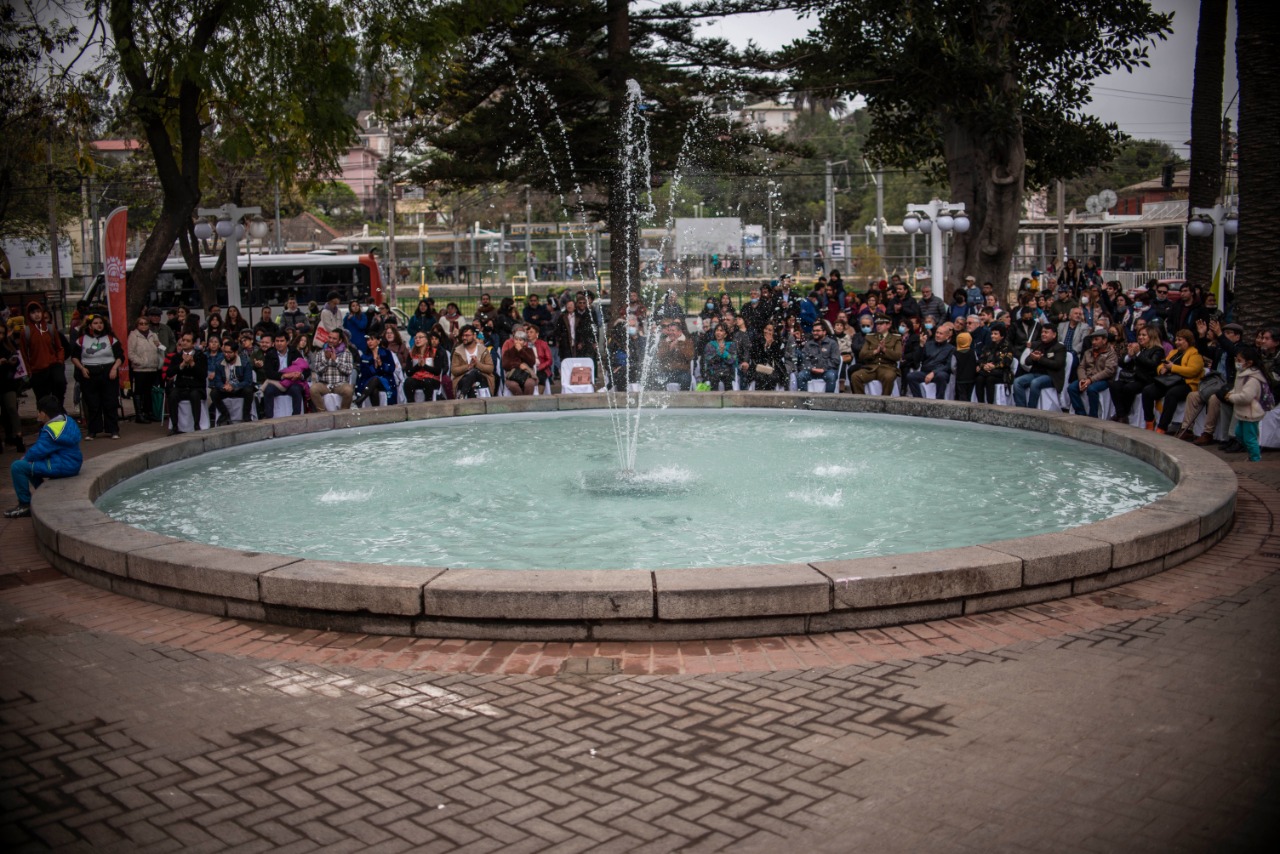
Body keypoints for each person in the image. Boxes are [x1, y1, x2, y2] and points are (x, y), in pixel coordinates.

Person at [5, 395, 82, 518]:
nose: (38, 415)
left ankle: (25, 504)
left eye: (39, 412)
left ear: (44, 414)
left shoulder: (51, 430)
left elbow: (38, 450)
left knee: (18, 467)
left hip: (63, 465)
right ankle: (43, 494)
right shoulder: (67, 420)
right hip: (72, 463)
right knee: (30, 466)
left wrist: (24, 458)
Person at [1180, 320, 1243, 445]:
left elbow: (1232, 350)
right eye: (1224, 333)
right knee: (1193, 396)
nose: (1225, 335)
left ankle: (1207, 433)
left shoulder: (1241, 349)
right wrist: (1202, 336)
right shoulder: (1220, 348)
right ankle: (1187, 429)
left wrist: (1219, 334)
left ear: (1238, 336)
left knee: (1215, 398)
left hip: (1230, 385)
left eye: (1229, 333)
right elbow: (1204, 351)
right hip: (1215, 383)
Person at [71, 315, 124, 440]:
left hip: (108, 372)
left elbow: (120, 356)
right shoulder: (81, 340)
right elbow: (74, 357)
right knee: (92, 403)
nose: (99, 325)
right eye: (95, 323)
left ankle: (113, 430)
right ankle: (93, 431)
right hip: (89, 373)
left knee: (110, 402)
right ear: (90, 325)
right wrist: (82, 368)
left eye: (101, 323)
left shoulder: (111, 339)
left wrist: (114, 368)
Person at [1143, 328, 1203, 434]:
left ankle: (1162, 427)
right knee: (1147, 391)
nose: (1177, 342)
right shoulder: (1173, 352)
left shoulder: (1195, 354)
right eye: (1176, 340)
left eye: (1180, 340)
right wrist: (1161, 369)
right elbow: (1162, 364)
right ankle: (1149, 421)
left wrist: (1173, 367)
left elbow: (1193, 371)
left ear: (1188, 341)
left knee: (1172, 394)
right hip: (1169, 381)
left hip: (1186, 383)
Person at [18, 301, 66, 408]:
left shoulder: (50, 328)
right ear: (28, 315)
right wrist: (29, 370)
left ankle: (59, 412)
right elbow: (24, 354)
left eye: (39, 311)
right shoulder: (26, 332)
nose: (37, 315)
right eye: (33, 312)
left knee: (60, 386)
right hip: (37, 370)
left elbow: (59, 348)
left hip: (53, 365)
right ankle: (44, 419)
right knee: (42, 399)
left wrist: (60, 362)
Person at [1224, 345, 1267, 462]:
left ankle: (1255, 459)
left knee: (1250, 438)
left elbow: (1246, 397)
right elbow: (1238, 389)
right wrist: (1231, 393)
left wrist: (1231, 397)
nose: (1237, 363)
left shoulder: (1252, 379)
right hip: (1243, 413)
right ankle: (1252, 454)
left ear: (1249, 363)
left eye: (1239, 361)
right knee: (1239, 434)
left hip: (1250, 413)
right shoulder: (1242, 374)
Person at [1067, 327, 1119, 418]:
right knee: (1071, 388)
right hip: (1087, 377)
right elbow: (1081, 367)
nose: (1093, 342)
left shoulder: (1111, 354)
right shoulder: (1088, 352)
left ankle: (1093, 416)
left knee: (1092, 389)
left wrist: (1091, 380)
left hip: (1104, 380)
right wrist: (1082, 379)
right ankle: (1081, 413)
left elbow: (1108, 371)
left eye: (1096, 339)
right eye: (1092, 340)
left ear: (1104, 340)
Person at [1012, 324, 1067, 408]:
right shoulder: (1039, 345)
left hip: (1051, 376)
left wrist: (1040, 359)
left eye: (1046, 332)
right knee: (1017, 382)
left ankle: (1031, 410)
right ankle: (1021, 408)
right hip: (1035, 374)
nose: (1043, 334)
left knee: (1035, 383)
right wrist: (1033, 357)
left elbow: (1057, 364)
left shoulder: (1059, 347)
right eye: (1042, 332)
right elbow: (1026, 362)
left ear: (1054, 335)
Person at [163, 332, 208, 434]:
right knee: (173, 395)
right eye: (183, 340)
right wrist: (182, 365)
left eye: (188, 341)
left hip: (196, 387)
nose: (184, 343)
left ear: (193, 344)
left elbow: (203, 375)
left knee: (194, 395)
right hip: (181, 387)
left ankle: (196, 425)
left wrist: (192, 364)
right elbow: (169, 373)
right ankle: (174, 426)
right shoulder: (176, 357)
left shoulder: (201, 356)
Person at [850, 315, 902, 395]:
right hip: (871, 368)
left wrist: (885, 350)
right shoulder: (870, 337)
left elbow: (898, 356)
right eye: (877, 324)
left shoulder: (895, 338)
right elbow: (862, 355)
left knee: (888, 377)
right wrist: (875, 351)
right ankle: (861, 402)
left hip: (887, 368)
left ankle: (884, 402)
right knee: (855, 376)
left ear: (888, 325)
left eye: (881, 324)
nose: (878, 326)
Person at [261, 332, 309, 417]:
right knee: (269, 390)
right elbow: (268, 373)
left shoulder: (294, 352)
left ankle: (296, 417)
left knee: (296, 390)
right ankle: (269, 418)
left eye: (282, 341)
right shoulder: (270, 354)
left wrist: (300, 375)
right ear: (274, 342)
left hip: (292, 382)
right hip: (278, 382)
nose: (279, 343)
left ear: (287, 342)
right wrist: (283, 375)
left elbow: (307, 370)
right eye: (277, 341)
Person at [209, 339, 255, 426]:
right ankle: (224, 414)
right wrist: (223, 386)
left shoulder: (245, 363)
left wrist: (234, 386)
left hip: (239, 389)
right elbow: (217, 381)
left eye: (229, 352)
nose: (227, 355)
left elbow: (248, 381)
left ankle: (246, 415)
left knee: (248, 391)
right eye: (225, 352)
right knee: (214, 393)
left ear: (236, 352)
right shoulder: (219, 363)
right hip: (226, 389)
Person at [309, 327, 356, 410]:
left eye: (334, 339)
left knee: (349, 390)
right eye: (329, 337)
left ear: (340, 340)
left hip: (340, 384)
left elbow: (348, 371)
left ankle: (343, 413)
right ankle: (322, 413)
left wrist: (336, 361)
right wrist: (326, 360)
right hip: (324, 384)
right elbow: (317, 370)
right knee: (313, 389)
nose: (331, 340)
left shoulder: (347, 353)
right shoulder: (321, 353)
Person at [906, 324, 955, 398]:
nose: (938, 335)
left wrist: (933, 373)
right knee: (911, 376)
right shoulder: (928, 344)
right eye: (937, 333)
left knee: (941, 376)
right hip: (925, 371)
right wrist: (921, 345)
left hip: (939, 373)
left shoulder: (951, 348)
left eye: (941, 334)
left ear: (947, 336)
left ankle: (939, 401)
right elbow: (918, 359)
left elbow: (948, 366)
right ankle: (918, 399)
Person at [975, 322, 1013, 405]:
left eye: (995, 334)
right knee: (979, 379)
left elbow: (1006, 362)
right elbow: (981, 359)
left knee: (990, 379)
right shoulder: (988, 346)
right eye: (992, 333)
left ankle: (990, 404)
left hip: (1001, 373)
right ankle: (980, 404)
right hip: (987, 371)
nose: (992, 335)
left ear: (1002, 335)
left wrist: (993, 366)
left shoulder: (1007, 347)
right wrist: (984, 366)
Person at [452, 325, 495, 398]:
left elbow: (490, 368)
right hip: (463, 378)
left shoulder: (483, 350)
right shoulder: (457, 351)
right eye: (463, 335)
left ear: (474, 335)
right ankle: (465, 393)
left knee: (475, 372)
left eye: (467, 335)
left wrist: (477, 364)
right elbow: (454, 370)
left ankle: (462, 394)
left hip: (481, 377)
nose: (464, 338)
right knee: (471, 377)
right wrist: (468, 367)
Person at [402, 330, 445, 402]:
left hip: (431, 379)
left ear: (426, 340)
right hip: (417, 378)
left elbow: (437, 371)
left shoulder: (435, 352)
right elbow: (408, 372)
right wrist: (418, 366)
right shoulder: (411, 353)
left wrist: (424, 366)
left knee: (427, 382)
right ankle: (411, 404)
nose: (417, 339)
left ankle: (428, 404)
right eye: (416, 338)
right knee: (408, 382)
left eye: (420, 337)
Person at [1, 327, 25, 453]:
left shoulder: (8, 344)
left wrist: (12, 361)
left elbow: (17, 359)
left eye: (2, 333)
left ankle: (18, 437)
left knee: (12, 408)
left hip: (8, 382)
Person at [655, 319, 695, 390]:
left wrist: (678, 347)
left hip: (682, 372)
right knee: (658, 380)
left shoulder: (687, 342)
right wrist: (670, 348)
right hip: (667, 371)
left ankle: (684, 400)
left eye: (673, 330)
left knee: (685, 379)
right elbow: (659, 356)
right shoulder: (664, 342)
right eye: (669, 330)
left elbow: (689, 356)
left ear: (679, 332)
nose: (670, 332)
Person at [502, 327, 538, 395]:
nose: (518, 342)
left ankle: (527, 402)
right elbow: (505, 365)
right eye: (516, 339)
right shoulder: (508, 352)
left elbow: (532, 362)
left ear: (525, 342)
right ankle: (521, 402)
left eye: (520, 340)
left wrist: (521, 351)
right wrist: (518, 365)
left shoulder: (529, 351)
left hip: (527, 375)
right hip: (512, 376)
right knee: (513, 385)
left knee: (529, 384)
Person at [703, 323, 737, 391]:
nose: (718, 332)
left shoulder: (731, 345)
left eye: (721, 331)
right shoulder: (710, 345)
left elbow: (732, 360)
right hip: (714, 373)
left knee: (728, 383)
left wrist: (724, 353)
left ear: (725, 334)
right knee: (714, 381)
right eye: (717, 330)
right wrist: (719, 353)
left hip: (727, 373)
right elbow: (709, 360)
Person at [953, 332, 977, 403]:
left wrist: (956, 373)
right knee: (969, 394)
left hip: (960, 378)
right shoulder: (973, 352)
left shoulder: (955, 353)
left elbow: (953, 367)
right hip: (971, 378)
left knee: (961, 394)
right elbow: (976, 361)